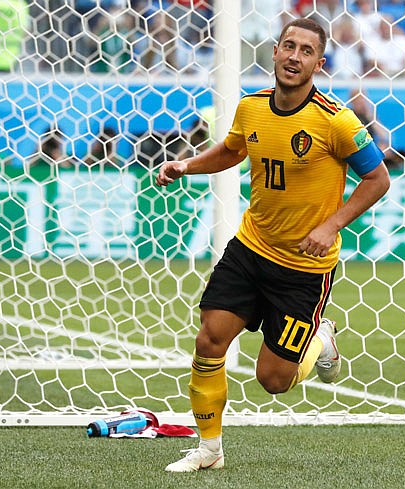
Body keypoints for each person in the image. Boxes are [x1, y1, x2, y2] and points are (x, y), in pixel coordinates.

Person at [155, 17, 390, 472]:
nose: (294, 57)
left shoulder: (336, 121)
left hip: (304, 268)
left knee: (274, 380)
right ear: (275, 52)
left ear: (318, 64)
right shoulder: (251, 107)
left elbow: (377, 179)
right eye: (288, 46)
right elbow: (231, 150)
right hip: (250, 247)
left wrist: (331, 226)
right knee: (209, 341)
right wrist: (186, 165)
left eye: (305, 51)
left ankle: (320, 340)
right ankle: (209, 450)